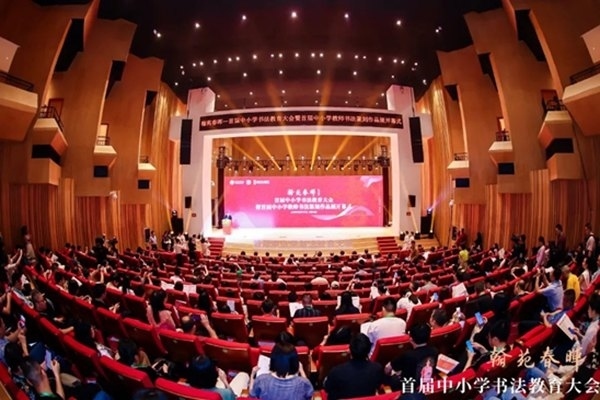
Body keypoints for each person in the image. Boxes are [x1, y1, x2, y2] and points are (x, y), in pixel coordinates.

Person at [324, 333, 384, 400]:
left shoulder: (336, 372)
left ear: (349, 350)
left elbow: (327, 388)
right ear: (369, 350)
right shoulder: (377, 369)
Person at [249, 343, 313, 400]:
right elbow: (309, 395)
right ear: (295, 362)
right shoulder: (303, 383)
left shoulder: (261, 380)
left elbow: (252, 395)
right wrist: (302, 371)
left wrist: (252, 375)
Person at [386, 324, 438, 390]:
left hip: (408, 390)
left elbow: (387, 369)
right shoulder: (435, 351)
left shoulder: (407, 355)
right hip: (425, 386)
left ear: (411, 339)